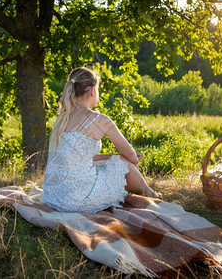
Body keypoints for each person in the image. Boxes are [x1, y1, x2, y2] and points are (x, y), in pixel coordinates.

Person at [42, 67, 159, 213]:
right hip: (78, 200)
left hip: (54, 198)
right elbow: (132, 157)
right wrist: (131, 158)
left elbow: (79, 159)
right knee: (125, 165)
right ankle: (152, 195)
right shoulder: (99, 120)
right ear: (92, 90)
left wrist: (113, 156)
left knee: (117, 161)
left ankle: (151, 195)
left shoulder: (62, 119)